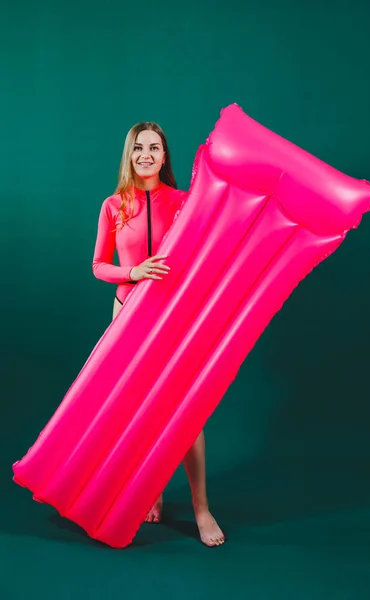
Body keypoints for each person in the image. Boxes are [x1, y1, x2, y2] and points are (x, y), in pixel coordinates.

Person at [92, 122, 225, 547]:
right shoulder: (114, 205)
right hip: (126, 314)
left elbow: (206, 249)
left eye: (154, 147)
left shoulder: (185, 201)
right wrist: (134, 272)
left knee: (187, 412)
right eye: (138, 148)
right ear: (129, 156)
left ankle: (202, 508)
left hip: (173, 318)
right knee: (138, 411)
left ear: (165, 157)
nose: (146, 154)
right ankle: (152, 490)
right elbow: (99, 265)